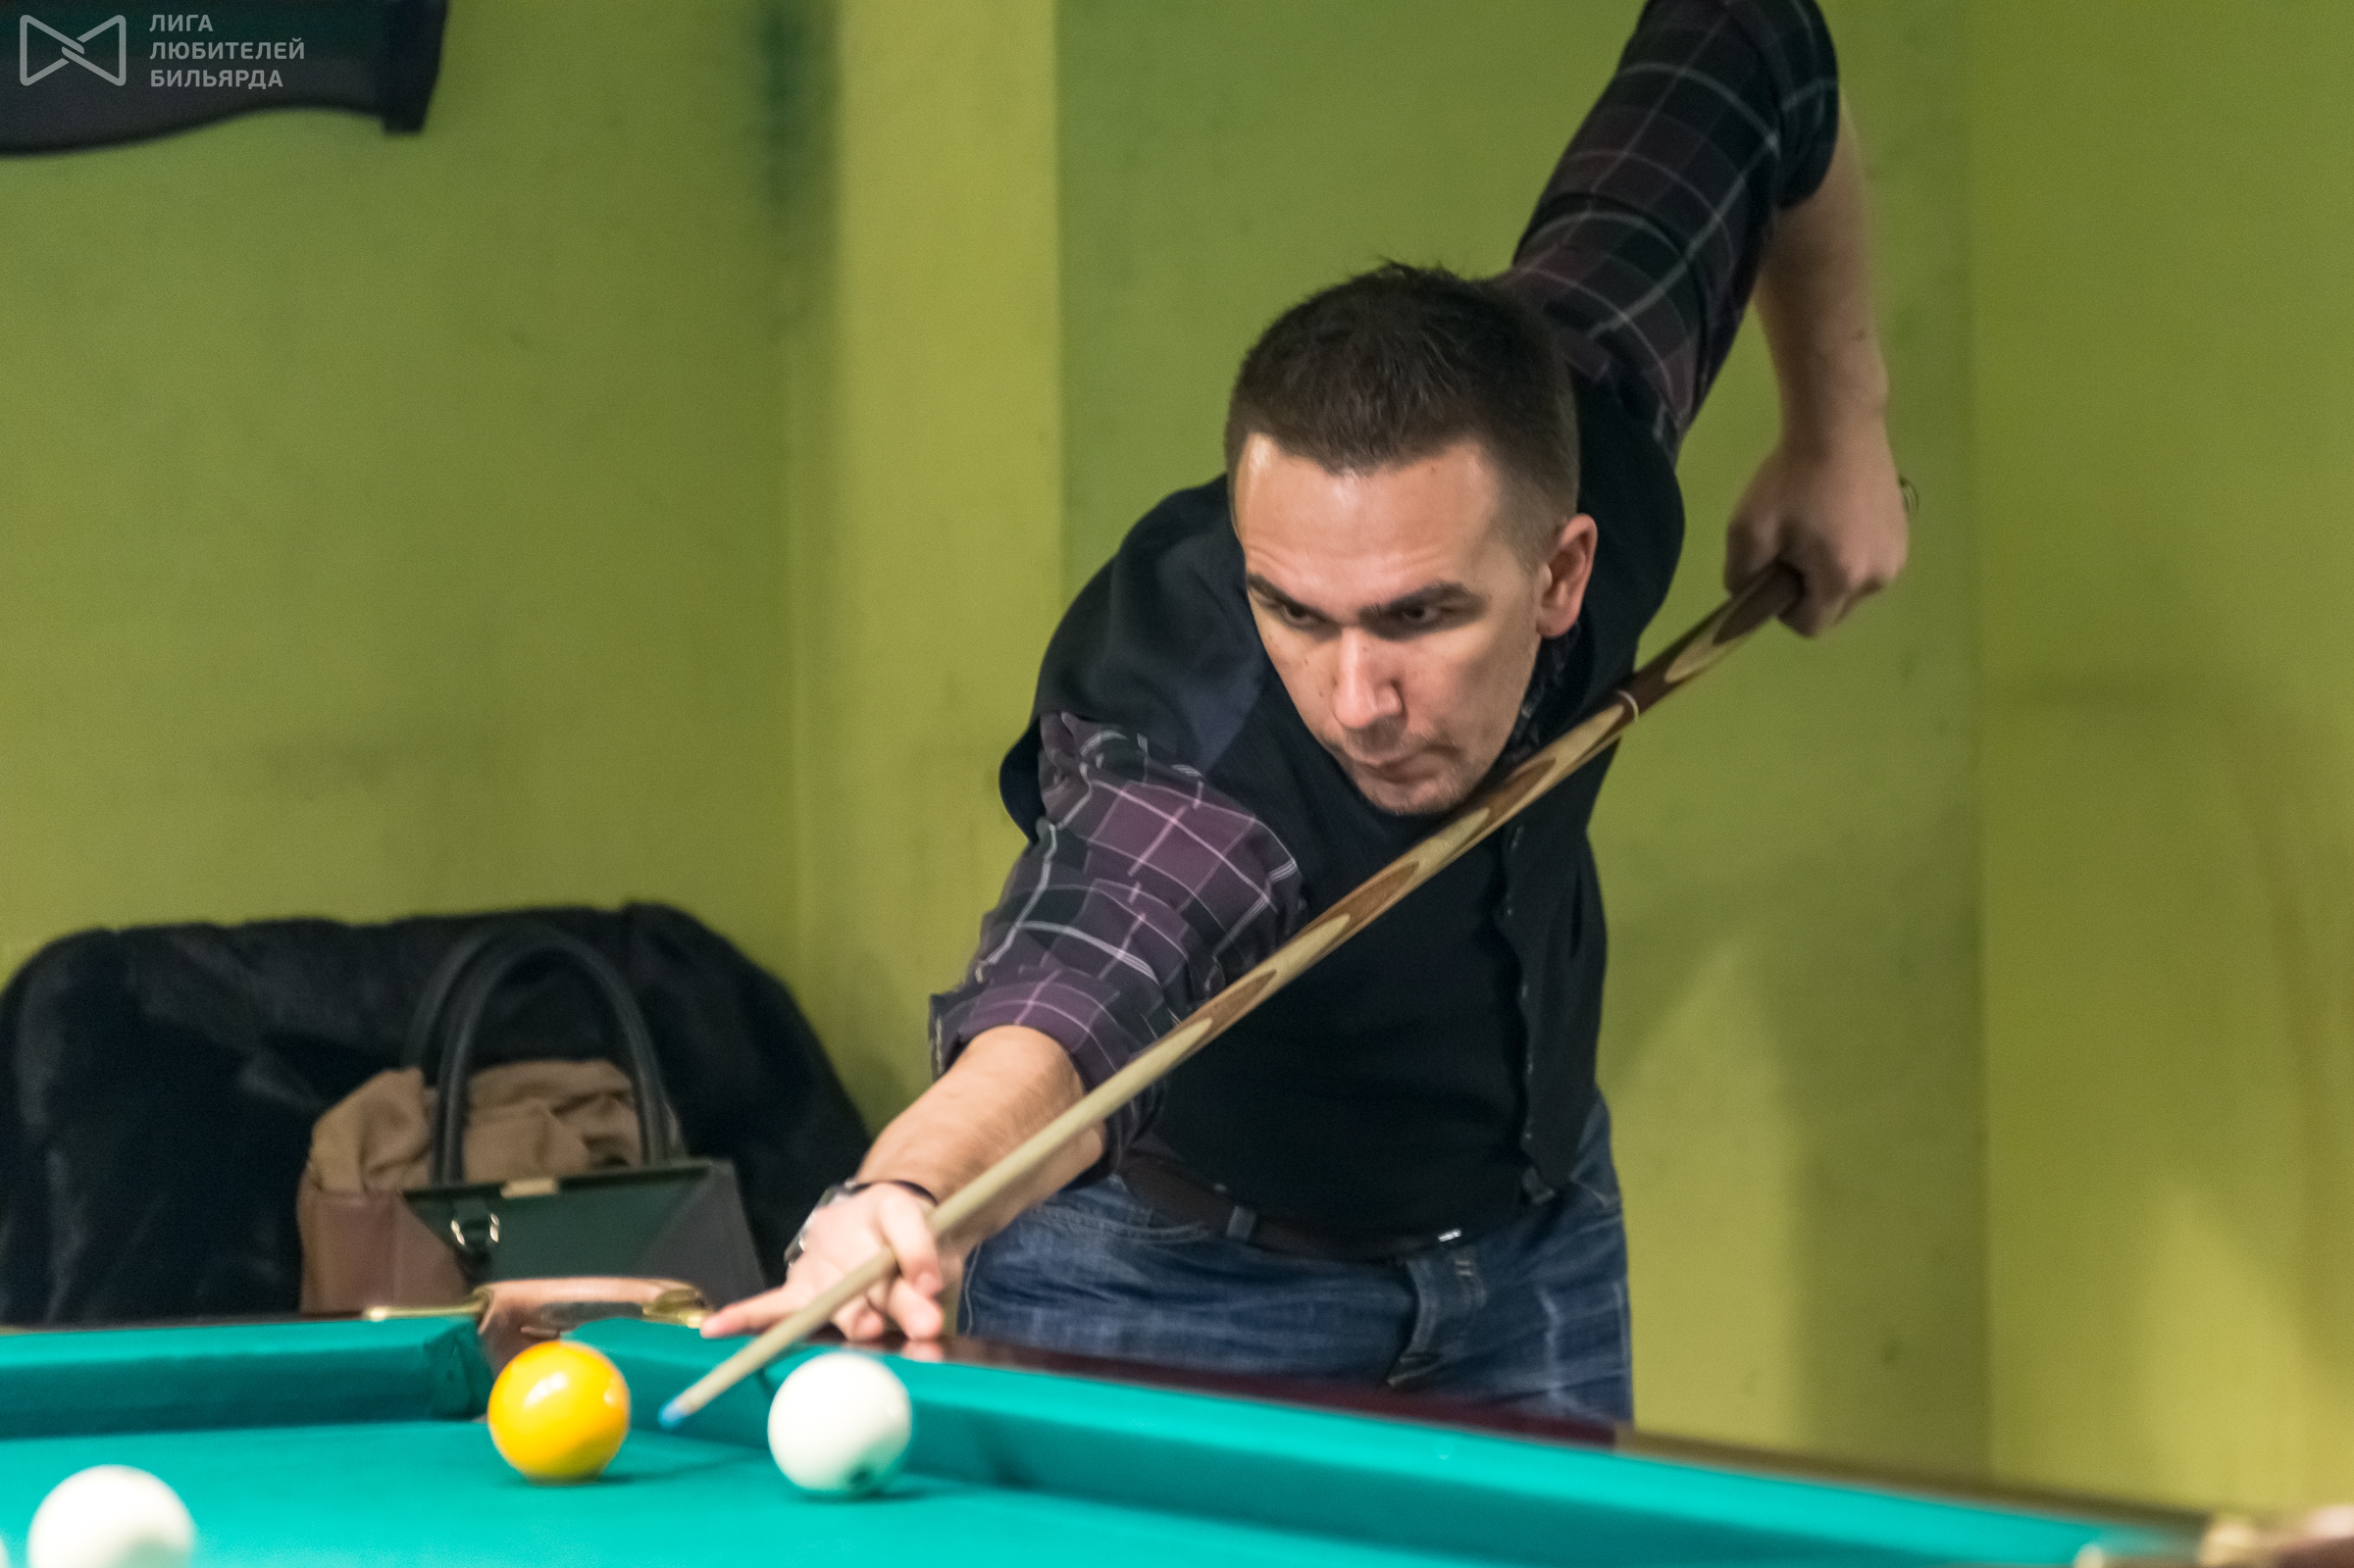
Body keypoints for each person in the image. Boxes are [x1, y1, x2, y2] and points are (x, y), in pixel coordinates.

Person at [704, 0, 1907, 1422]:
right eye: (1295, 610)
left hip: (1532, 1241)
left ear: (1561, 571)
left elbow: (1754, 48)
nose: (1356, 699)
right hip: (1170, 1281)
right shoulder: (1199, 751)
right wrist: (905, 1192)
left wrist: (1842, 431)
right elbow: (1085, 972)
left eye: (1420, 617)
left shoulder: (1595, 414)